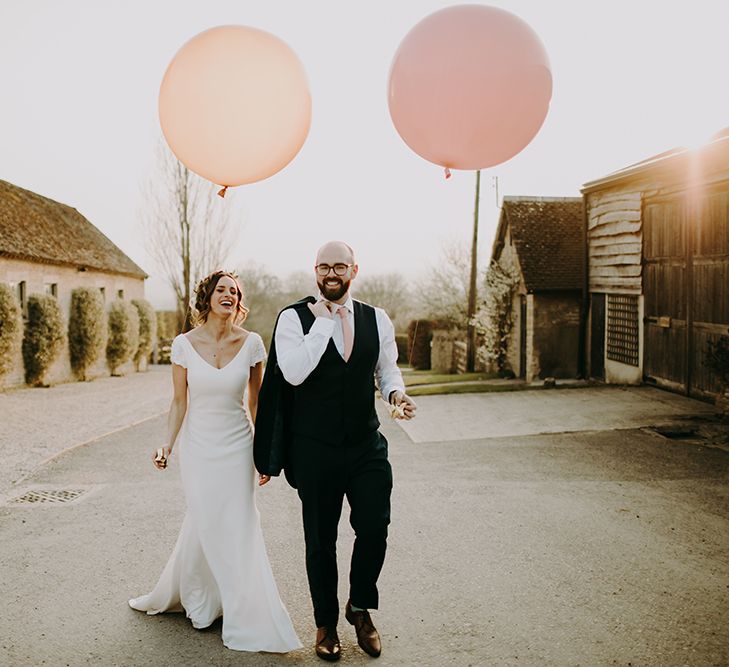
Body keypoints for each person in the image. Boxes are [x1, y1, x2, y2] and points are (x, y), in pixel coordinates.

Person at [254, 241, 417, 661]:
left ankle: (360, 607)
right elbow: (292, 373)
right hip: (315, 449)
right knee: (320, 540)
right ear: (315, 271)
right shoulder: (293, 318)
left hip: (365, 445)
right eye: (324, 266)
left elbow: (386, 369)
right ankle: (325, 623)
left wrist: (396, 394)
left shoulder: (376, 318)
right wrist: (323, 323)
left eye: (339, 266)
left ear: (354, 270)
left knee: (375, 525)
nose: (331, 273)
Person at [129, 270, 302, 653]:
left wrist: (265, 455)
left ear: (238, 302)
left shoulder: (253, 343)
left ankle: (241, 607)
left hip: (238, 446)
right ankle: (200, 599)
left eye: (234, 291)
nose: (228, 294)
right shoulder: (183, 344)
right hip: (198, 447)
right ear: (207, 297)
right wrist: (167, 446)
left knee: (238, 522)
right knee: (205, 518)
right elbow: (179, 401)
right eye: (221, 289)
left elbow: (257, 404)